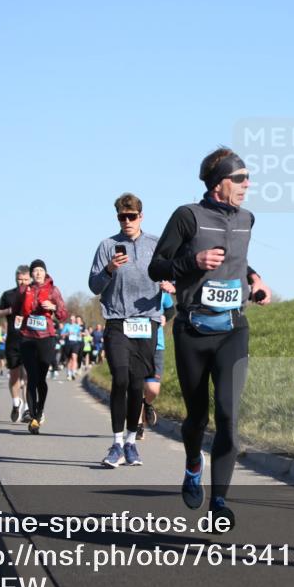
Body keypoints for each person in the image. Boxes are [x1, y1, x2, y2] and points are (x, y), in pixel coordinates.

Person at [149, 147, 272, 528]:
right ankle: (191, 464)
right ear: (219, 183)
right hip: (193, 330)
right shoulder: (188, 217)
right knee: (197, 417)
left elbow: (238, 257)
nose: (247, 184)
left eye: (248, 178)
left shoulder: (247, 219)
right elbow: (157, 266)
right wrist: (192, 263)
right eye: (240, 178)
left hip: (233, 328)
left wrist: (255, 279)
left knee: (229, 416)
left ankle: (219, 502)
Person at [89, 192, 173, 468]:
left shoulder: (156, 244)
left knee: (137, 382)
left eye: (131, 216)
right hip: (116, 320)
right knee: (121, 378)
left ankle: (131, 443)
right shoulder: (107, 245)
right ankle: (115, 443)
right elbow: (94, 285)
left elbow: (171, 273)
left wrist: (169, 284)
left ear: (141, 216)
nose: (127, 221)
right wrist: (110, 269)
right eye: (122, 217)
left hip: (146, 321)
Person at [12, 259, 69, 433]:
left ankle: (40, 410)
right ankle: (34, 417)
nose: (37, 273)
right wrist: (19, 314)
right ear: (31, 274)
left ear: (45, 273)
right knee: (31, 378)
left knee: (41, 379)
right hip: (28, 337)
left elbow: (63, 314)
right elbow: (15, 309)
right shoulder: (25, 290)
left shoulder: (53, 290)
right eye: (34, 271)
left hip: (46, 338)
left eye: (40, 270)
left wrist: (53, 307)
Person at [138, 288, 176, 440]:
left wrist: (166, 317)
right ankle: (138, 425)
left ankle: (147, 403)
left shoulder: (160, 290)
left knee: (153, 389)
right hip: (135, 343)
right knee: (136, 387)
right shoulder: (132, 288)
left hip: (156, 345)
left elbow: (170, 309)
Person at [0, 266, 31, 423]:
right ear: (15, 278)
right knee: (14, 375)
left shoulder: (34, 293)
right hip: (13, 340)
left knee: (29, 376)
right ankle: (17, 403)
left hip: (30, 339)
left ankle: (29, 409)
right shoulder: (8, 295)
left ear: (29, 279)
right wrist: (8, 310)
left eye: (25, 279)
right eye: (19, 279)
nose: (22, 282)